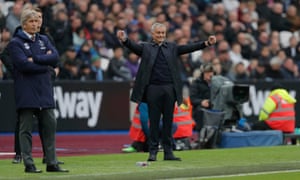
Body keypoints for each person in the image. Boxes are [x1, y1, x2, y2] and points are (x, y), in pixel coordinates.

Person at [117, 22, 216, 161]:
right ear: (152, 34)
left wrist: (205, 43)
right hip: (152, 89)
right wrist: (124, 40)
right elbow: (133, 46)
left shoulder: (172, 47)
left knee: (168, 122)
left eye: (163, 33)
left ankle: (168, 152)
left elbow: (188, 48)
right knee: (154, 122)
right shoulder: (146, 47)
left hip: (170, 89)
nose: (161, 35)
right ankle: (153, 152)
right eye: (158, 33)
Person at [6, 8, 68, 173]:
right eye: (31, 22)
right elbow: (23, 65)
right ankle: (29, 164)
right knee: (25, 129)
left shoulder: (44, 39)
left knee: (50, 126)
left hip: (44, 89)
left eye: (36, 21)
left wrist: (38, 60)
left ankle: (51, 162)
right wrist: (46, 66)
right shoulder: (15, 43)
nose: (35, 24)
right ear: (24, 24)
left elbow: (55, 57)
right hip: (26, 90)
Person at [189, 63, 215, 132]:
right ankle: (200, 133)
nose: (210, 74)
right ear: (203, 73)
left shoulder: (215, 83)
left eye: (211, 72)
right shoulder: (196, 83)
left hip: (213, 105)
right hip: (201, 108)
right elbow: (192, 99)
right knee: (200, 110)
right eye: (207, 72)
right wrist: (201, 102)